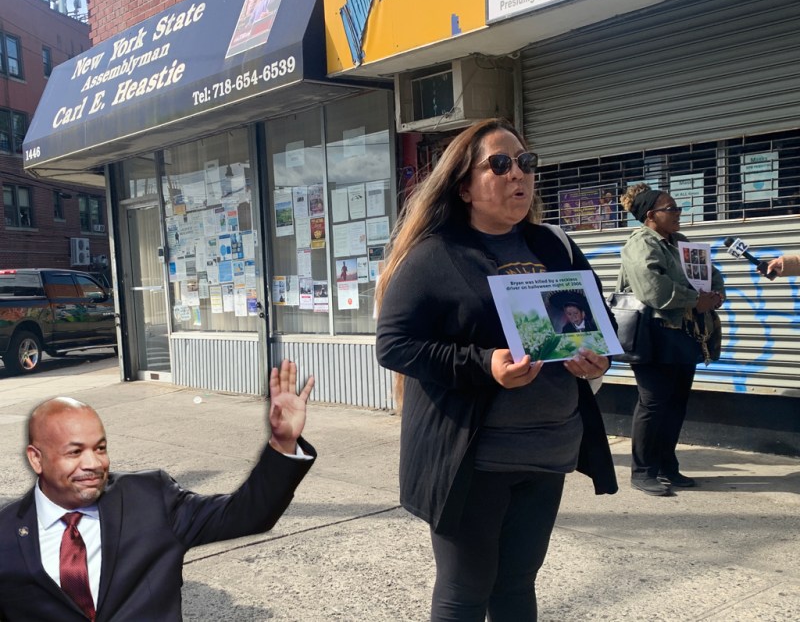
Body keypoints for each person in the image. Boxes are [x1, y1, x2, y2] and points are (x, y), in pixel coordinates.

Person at [375, 118, 617, 622]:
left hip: (549, 451)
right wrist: (484, 364)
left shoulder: (556, 246)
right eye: (500, 164)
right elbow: (395, 346)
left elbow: (597, 326)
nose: (517, 175)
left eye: (525, 163)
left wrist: (595, 359)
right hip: (474, 459)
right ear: (464, 186)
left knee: (516, 587)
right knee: (465, 593)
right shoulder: (433, 255)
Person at [0, 360, 315, 622]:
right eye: (74, 452)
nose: (93, 463)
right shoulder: (5, 534)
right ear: (36, 458)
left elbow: (247, 514)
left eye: (100, 448)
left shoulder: (150, 498)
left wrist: (282, 443)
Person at [617, 184, 725, 497]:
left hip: (684, 334)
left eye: (678, 208)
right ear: (651, 216)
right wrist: (695, 300)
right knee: (653, 403)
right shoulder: (641, 244)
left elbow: (712, 274)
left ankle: (667, 466)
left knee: (675, 403)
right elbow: (654, 291)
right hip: (654, 334)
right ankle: (643, 471)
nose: (679, 214)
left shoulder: (681, 243)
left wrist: (715, 295)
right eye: (672, 209)